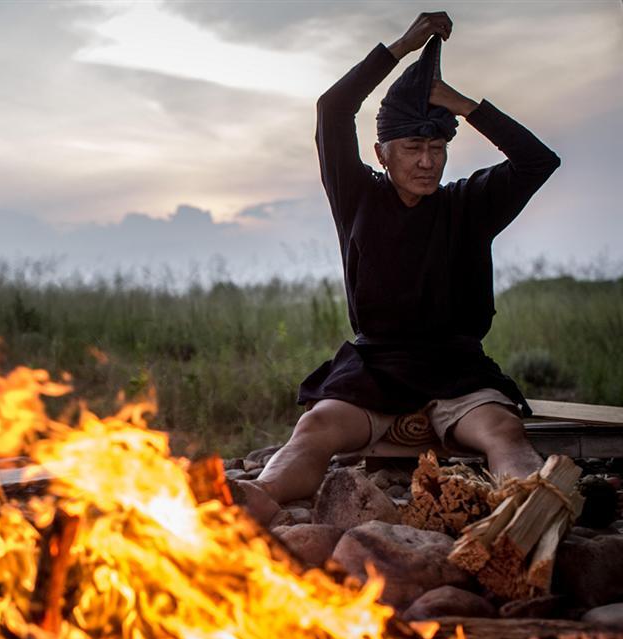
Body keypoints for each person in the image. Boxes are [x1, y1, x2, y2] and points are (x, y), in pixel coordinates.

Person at [238, 12, 562, 523]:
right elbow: (334, 108)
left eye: (437, 148)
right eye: (413, 148)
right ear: (381, 153)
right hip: (376, 368)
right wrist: (403, 46)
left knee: (503, 432)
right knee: (316, 427)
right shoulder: (358, 195)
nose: (428, 162)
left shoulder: (470, 203)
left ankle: (528, 517)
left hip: (457, 369)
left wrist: (463, 105)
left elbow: (538, 162)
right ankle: (257, 498)